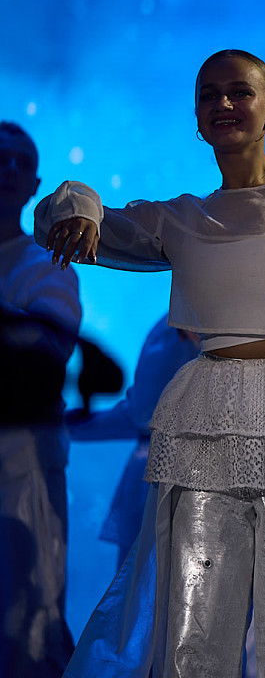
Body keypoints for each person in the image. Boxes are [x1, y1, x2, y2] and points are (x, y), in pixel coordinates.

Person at [44, 51, 265, 678]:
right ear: (195, 117)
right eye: (209, 95)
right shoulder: (179, 218)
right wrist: (75, 203)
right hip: (210, 414)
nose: (224, 104)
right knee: (196, 610)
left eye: (240, 92)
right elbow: (60, 217)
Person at [1, 120, 79, 677]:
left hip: (20, 463)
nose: (7, 170)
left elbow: (47, 357)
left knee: (26, 618)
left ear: (34, 185)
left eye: (19, 163)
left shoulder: (44, 265)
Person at [66, 316, 198, 568]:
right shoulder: (171, 327)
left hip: (174, 477)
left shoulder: (177, 327)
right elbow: (141, 413)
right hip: (157, 474)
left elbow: (142, 413)